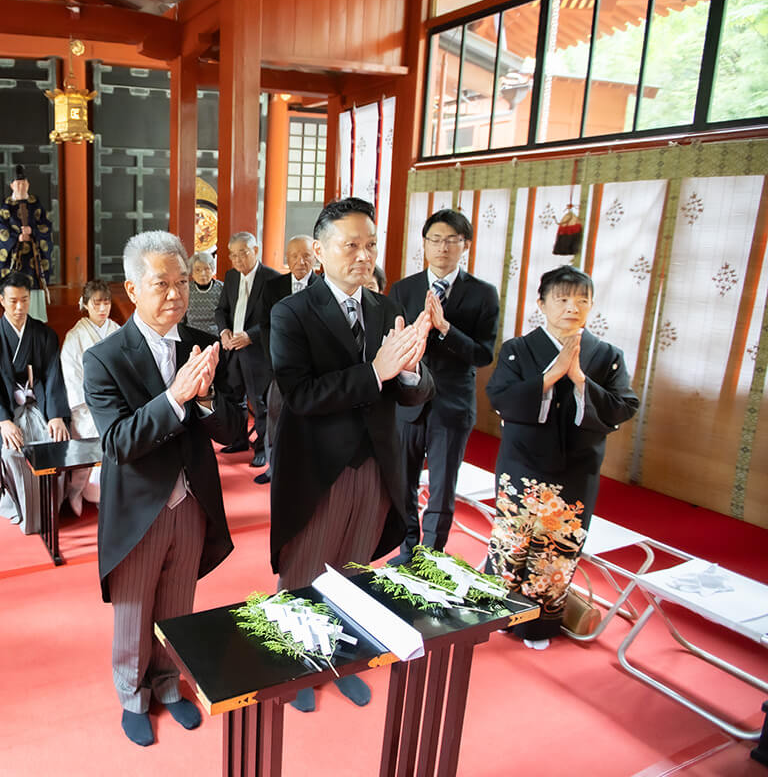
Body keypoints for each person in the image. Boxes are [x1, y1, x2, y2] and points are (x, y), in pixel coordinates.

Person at [270, 197, 434, 712]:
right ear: (319, 251)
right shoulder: (290, 311)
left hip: (376, 464)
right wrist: (377, 372)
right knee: (302, 572)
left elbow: (409, 391)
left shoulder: (385, 307)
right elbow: (300, 395)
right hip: (319, 466)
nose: (363, 256)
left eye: (370, 245)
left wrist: (409, 369)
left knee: (353, 570)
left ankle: (338, 659)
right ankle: (295, 663)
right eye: (350, 245)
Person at [83, 231, 242, 747]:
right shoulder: (105, 357)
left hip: (191, 499)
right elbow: (116, 443)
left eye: (180, 283)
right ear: (132, 289)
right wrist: (175, 397)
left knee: (179, 600)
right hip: (140, 507)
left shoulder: (200, 341)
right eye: (161, 284)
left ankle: (169, 683)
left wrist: (207, 396)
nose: (175, 294)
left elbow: (231, 431)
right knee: (134, 611)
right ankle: (132, 695)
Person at [485, 265, 639, 650]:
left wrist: (582, 380)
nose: (573, 306)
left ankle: (538, 626)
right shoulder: (518, 349)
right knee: (511, 543)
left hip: (577, 465)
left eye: (582, 299)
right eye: (563, 298)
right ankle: (496, 613)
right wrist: (549, 378)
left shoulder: (607, 356)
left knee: (557, 550)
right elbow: (499, 397)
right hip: (523, 463)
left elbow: (624, 405)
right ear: (542, 303)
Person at [388, 210, 500, 563]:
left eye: (452, 240)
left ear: (465, 245)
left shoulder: (483, 294)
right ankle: (407, 552)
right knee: (401, 484)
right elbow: (389, 342)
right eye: (435, 239)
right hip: (407, 402)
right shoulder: (404, 288)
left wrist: (447, 329)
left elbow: (483, 355)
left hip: (451, 406)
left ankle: (429, 559)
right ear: (424, 244)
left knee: (440, 490)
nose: (442, 247)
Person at [0, 272, 71, 533]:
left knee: (54, 441)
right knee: (12, 448)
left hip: (40, 406)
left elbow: (53, 377)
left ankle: (50, 506)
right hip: (4, 412)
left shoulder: (44, 335)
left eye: (24, 300)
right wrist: (3, 422)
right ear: (2, 300)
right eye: (13, 301)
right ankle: (21, 505)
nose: (19, 307)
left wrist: (56, 415)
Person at [256, 235, 319, 485]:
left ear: (316, 257)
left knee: (309, 422)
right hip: (279, 368)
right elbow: (264, 326)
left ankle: (305, 470)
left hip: (313, 370)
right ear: (287, 258)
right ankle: (274, 468)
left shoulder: (324, 286)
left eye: (306, 255)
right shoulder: (274, 286)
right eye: (294, 256)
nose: (300, 261)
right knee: (275, 418)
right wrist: (274, 360)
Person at [214, 232, 281, 467]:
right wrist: (224, 332)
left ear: (256, 250)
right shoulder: (231, 277)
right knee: (233, 398)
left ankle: (263, 448)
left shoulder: (273, 279)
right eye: (233, 255)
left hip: (256, 352)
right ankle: (239, 439)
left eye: (242, 253)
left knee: (259, 401)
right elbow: (221, 310)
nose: (237, 259)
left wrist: (250, 336)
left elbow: (276, 318)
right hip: (231, 349)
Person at [60, 280, 121, 515]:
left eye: (106, 303)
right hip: (86, 406)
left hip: (114, 401)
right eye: (97, 303)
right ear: (86, 304)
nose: (102, 308)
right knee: (87, 450)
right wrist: (88, 403)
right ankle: (75, 491)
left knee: (115, 448)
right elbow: (71, 373)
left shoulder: (116, 330)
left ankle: (105, 496)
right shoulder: (75, 336)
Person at [0, 164, 52, 322]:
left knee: (34, 285)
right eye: (17, 183)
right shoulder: (6, 206)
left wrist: (33, 232)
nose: (20, 186)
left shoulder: (35, 203)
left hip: (34, 256)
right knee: (15, 284)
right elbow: (1, 231)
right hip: (15, 255)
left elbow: (46, 225)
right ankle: (14, 316)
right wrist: (16, 237)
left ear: (28, 184)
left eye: (23, 183)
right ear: (12, 185)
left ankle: (37, 318)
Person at [184, 251, 223, 336]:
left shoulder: (221, 288)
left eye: (207, 269)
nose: (203, 273)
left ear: (212, 270)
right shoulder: (186, 289)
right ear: (192, 273)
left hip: (215, 336)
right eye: (197, 270)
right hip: (191, 334)